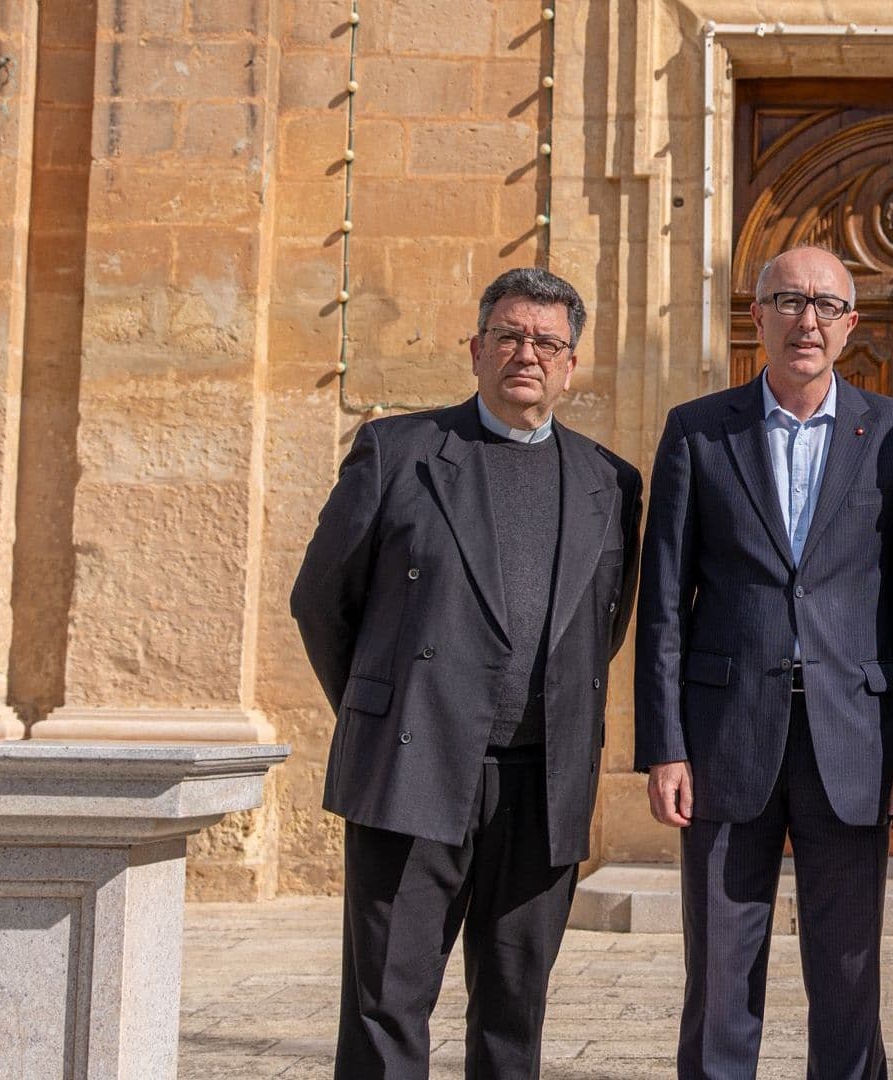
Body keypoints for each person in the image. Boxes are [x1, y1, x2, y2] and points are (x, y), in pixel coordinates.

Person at [291, 267, 642, 1079]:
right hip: (410, 771)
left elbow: (603, 625)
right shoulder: (400, 452)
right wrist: (383, 708)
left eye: (547, 342)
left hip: (542, 784)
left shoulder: (609, 482)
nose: (528, 353)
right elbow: (320, 599)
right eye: (511, 336)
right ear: (477, 349)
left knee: (515, 1013)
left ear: (571, 363)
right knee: (386, 1007)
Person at [633, 244, 893, 1079]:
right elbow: (663, 600)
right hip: (726, 736)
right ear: (758, 316)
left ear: (850, 325)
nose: (807, 320)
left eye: (825, 305)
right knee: (721, 972)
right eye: (788, 301)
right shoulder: (698, 432)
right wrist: (663, 745)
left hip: (856, 740)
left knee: (849, 973)